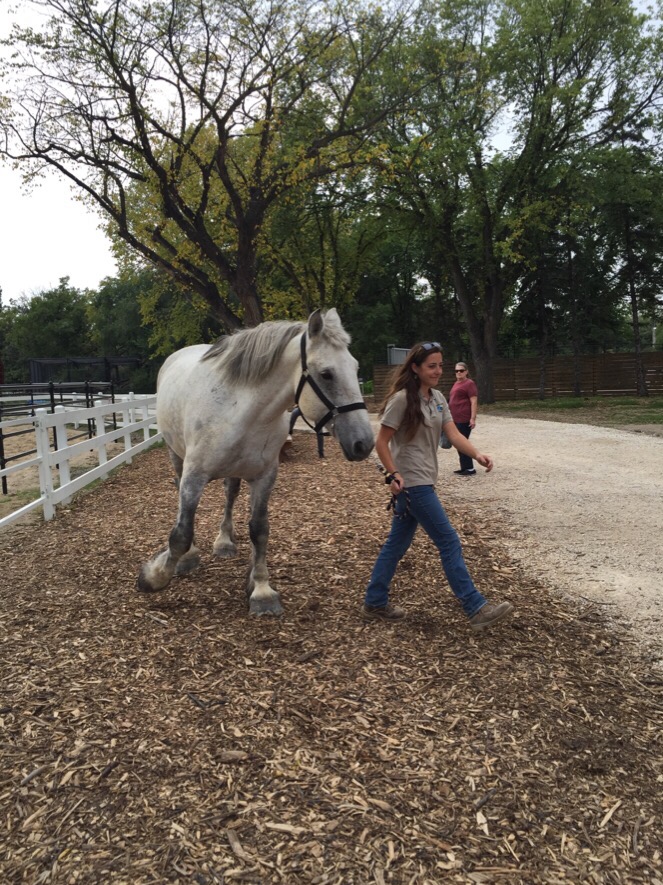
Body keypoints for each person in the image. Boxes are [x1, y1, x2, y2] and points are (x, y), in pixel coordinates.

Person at [362, 342, 513, 630]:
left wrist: (477, 454)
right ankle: (475, 607)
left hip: (423, 481)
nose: (438, 371)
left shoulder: (438, 398)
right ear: (415, 368)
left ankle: (374, 602)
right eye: (431, 366)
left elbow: (453, 434)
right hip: (412, 483)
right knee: (448, 541)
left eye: (441, 365)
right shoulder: (401, 400)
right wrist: (393, 474)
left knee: (396, 544)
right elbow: (381, 443)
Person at [449, 361, 478, 476]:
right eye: (456, 371)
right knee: (459, 443)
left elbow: (473, 401)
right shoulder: (456, 383)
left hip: (464, 418)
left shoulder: (469, 383)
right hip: (455, 418)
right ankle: (464, 467)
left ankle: (469, 468)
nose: (458, 373)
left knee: (463, 443)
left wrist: (472, 418)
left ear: (466, 372)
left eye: (461, 370)